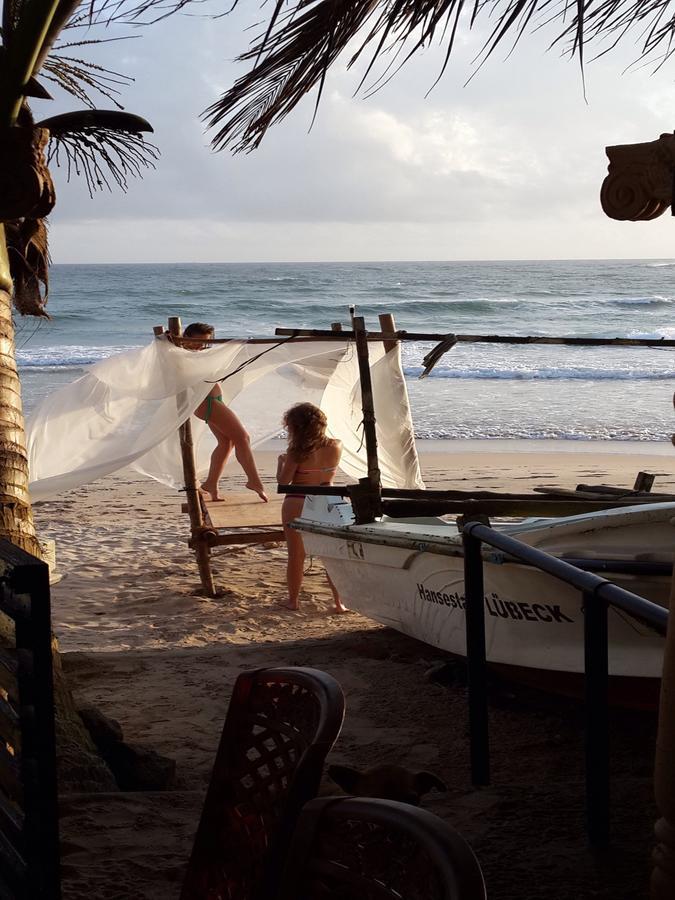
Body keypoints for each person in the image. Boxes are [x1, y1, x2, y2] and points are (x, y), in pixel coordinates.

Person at [183, 322, 267, 503]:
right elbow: (166, 350)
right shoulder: (184, 355)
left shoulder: (200, 354)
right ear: (186, 337)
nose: (201, 346)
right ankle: (254, 481)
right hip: (207, 403)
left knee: (226, 442)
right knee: (243, 438)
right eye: (197, 341)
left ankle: (211, 484)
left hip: (214, 401)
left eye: (205, 342)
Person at [277, 402, 347, 613]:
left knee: (296, 555)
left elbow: (284, 481)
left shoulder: (296, 451)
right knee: (331, 555)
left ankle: (293, 601)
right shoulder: (336, 445)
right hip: (329, 499)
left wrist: (281, 461)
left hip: (298, 499)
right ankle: (338, 602)